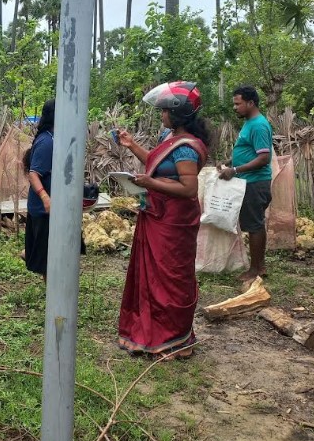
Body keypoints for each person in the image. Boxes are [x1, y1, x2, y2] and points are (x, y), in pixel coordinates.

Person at [116, 81, 210, 359]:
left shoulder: (186, 148)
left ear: (178, 113)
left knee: (172, 275)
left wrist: (150, 184)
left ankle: (175, 339)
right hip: (157, 214)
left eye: (165, 110)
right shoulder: (169, 138)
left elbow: (189, 189)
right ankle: (150, 332)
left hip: (175, 221)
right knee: (152, 276)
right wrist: (131, 145)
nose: (162, 114)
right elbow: (156, 166)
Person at [21, 99, 85, 279]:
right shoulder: (47, 142)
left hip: (57, 208)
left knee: (55, 255)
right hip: (45, 209)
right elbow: (34, 174)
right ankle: (52, 291)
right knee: (50, 260)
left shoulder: (56, 138)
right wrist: (45, 198)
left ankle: (31, 255)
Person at [217, 85, 273, 282]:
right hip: (250, 181)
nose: (235, 107)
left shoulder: (258, 125)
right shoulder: (250, 123)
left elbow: (264, 158)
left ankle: (255, 270)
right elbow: (249, 151)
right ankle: (260, 266)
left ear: (250, 103)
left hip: (255, 182)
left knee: (254, 225)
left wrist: (235, 170)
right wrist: (229, 162)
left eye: (238, 104)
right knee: (254, 223)